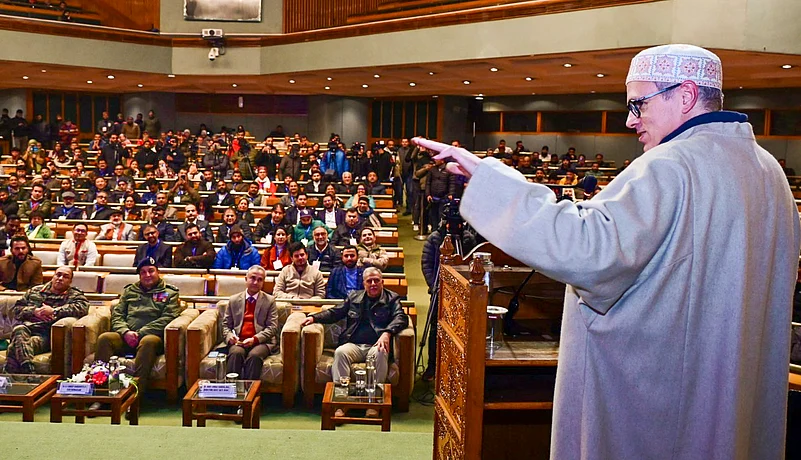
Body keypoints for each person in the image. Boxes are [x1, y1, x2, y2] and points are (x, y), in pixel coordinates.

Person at [414, 44, 800, 460]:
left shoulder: (670, 165)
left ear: (685, 96)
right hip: (731, 389)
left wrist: (491, 178)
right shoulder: (768, 170)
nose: (630, 119)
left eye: (639, 103)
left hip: (662, 402)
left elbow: (585, 248)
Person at [301, 267, 408, 417]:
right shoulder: (354, 297)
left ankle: (374, 404)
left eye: (376, 280)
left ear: (382, 282)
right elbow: (336, 312)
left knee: (380, 351)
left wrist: (387, 333)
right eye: (369, 281)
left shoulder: (392, 298)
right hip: (354, 344)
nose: (373, 284)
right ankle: (341, 402)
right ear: (363, 283)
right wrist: (314, 317)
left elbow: (401, 318)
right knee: (340, 352)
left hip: (376, 344)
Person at [96, 257, 181, 394]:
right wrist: (125, 332)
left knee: (148, 341)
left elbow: (168, 318)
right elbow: (117, 315)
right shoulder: (130, 291)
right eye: (143, 272)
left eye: (151, 271)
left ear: (158, 272)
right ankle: (102, 393)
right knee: (105, 338)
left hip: (152, 338)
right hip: (126, 335)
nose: (147, 275)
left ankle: (135, 395)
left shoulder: (169, 293)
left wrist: (140, 333)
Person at [5, 267, 89, 373]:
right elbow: (16, 310)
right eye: (58, 275)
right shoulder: (35, 291)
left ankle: (10, 380)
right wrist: (34, 311)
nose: (60, 278)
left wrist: (54, 311)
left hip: (46, 335)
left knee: (14, 346)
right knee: (19, 331)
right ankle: (29, 372)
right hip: (26, 331)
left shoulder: (74, 294)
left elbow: (82, 308)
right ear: (53, 276)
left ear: (70, 281)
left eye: (65, 276)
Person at [223, 265, 279, 381]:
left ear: (263, 282)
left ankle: (250, 392)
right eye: (252, 278)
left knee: (254, 356)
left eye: (260, 280)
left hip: (261, 342)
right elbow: (226, 325)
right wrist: (230, 337)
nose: (255, 282)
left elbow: (272, 327)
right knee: (235, 353)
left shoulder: (270, 301)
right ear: (246, 279)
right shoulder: (234, 300)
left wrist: (255, 339)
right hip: (239, 340)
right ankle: (231, 390)